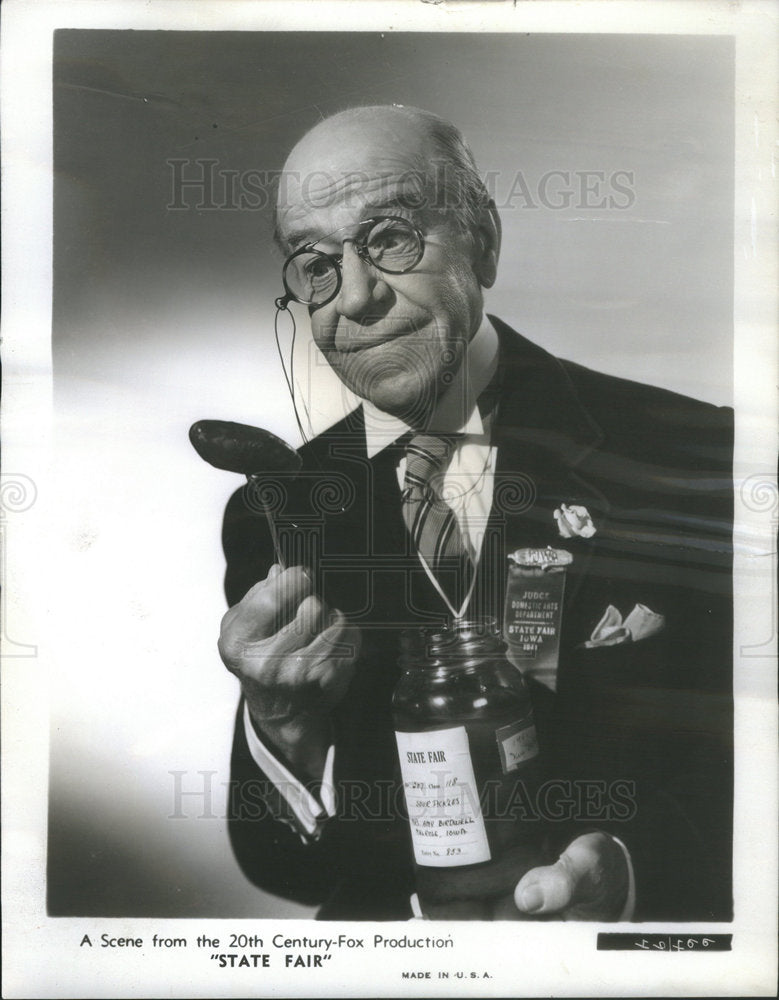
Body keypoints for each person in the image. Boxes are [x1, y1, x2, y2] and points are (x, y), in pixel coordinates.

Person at [218, 105, 733, 921]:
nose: (352, 297)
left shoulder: (702, 454)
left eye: (389, 237)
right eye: (313, 264)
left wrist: (637, 879)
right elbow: (285, 867)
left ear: (482, 239)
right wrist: (280, 720)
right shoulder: (274, 513)